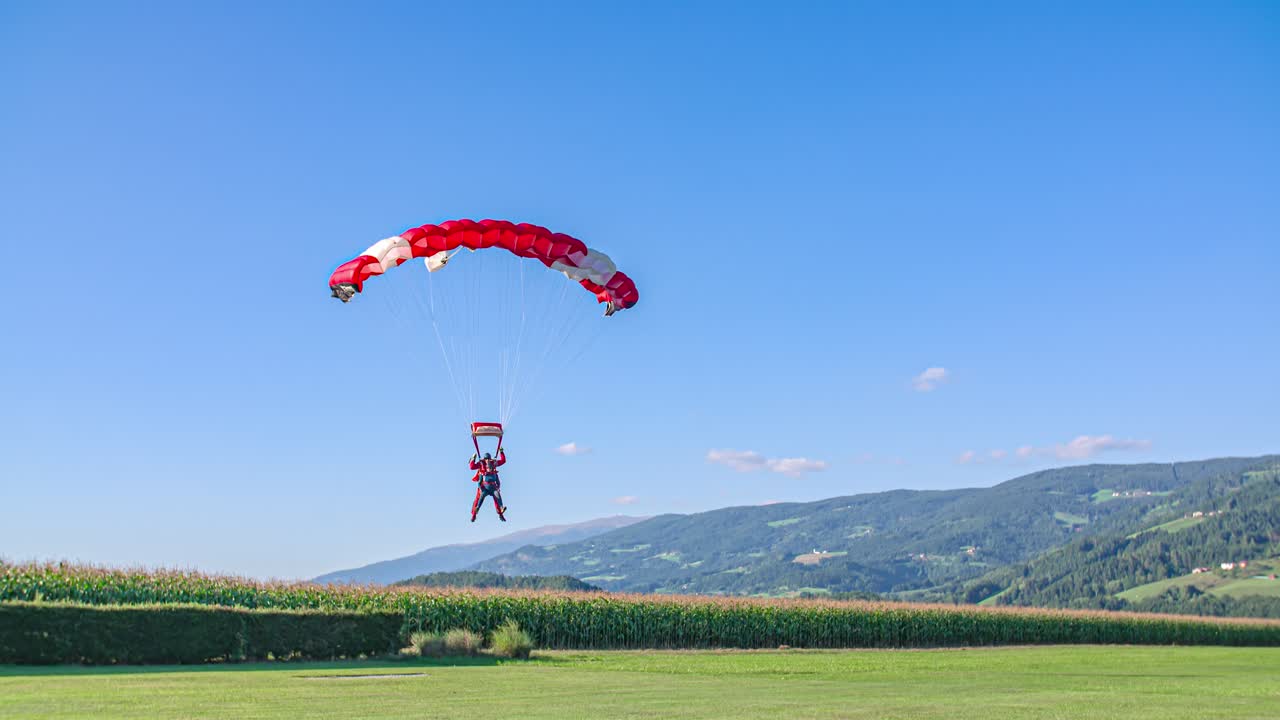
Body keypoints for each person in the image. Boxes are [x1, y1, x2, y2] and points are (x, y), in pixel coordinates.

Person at [470, 449, 507, 522]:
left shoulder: (494, 463)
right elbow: (472, 467)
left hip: (493, 486)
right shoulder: (481, 464)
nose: (487, 460)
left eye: (488, 459)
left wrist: (501, 452)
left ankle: (500, 514)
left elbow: (503, 461)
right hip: (483, 486)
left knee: (497, 498)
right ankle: (474, 514)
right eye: (486, 459)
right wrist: (473, 459)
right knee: (478, 499)